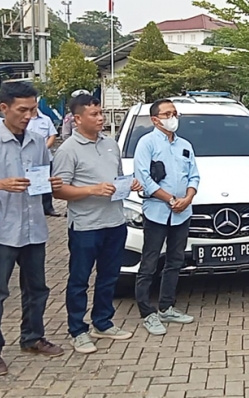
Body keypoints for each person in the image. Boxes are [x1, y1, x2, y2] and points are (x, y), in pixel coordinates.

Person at [0, 82, 65, 376]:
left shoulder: (38, 141)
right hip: (2, 229)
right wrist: (0, 184)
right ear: (4, 109)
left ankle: (32, 338)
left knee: (37, 288)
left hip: (34, 228)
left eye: (32, 109)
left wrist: (49, 185)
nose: (28, 115)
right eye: (22, 110)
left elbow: (42, 177)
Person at [52, 94, 142, 353]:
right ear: (77, 119)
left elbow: (117, 178)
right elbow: (59, 191)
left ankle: (103, 322)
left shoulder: (111, 144)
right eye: (94, 114)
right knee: (80, 279)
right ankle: (77, 330)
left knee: (109, 276)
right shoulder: (68, 149)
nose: (101, 118)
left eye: (101, 113)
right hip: (85, 226)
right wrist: (92, 190)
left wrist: (129, 184)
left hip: (114, 222)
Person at [133, 99, 200, 336]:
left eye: (175, 113)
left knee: (175, 261)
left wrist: (188, 198)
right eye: (167, 114)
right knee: (150, 263)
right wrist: (171, 200)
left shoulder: (185, 145)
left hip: (183, 213)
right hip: (158, 213)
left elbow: (194, 176)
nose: (173, 117)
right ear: (155, 119)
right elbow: (144, 179)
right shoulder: (147, 143)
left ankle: (166, 306)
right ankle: (146, 312)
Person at [27, 108, 61, 217]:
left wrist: (44, 148)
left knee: (46, 183)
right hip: (27, 158)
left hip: (45, 157)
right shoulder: (24, 119)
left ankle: (48, 208)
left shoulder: (46, 119)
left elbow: (52, 135)